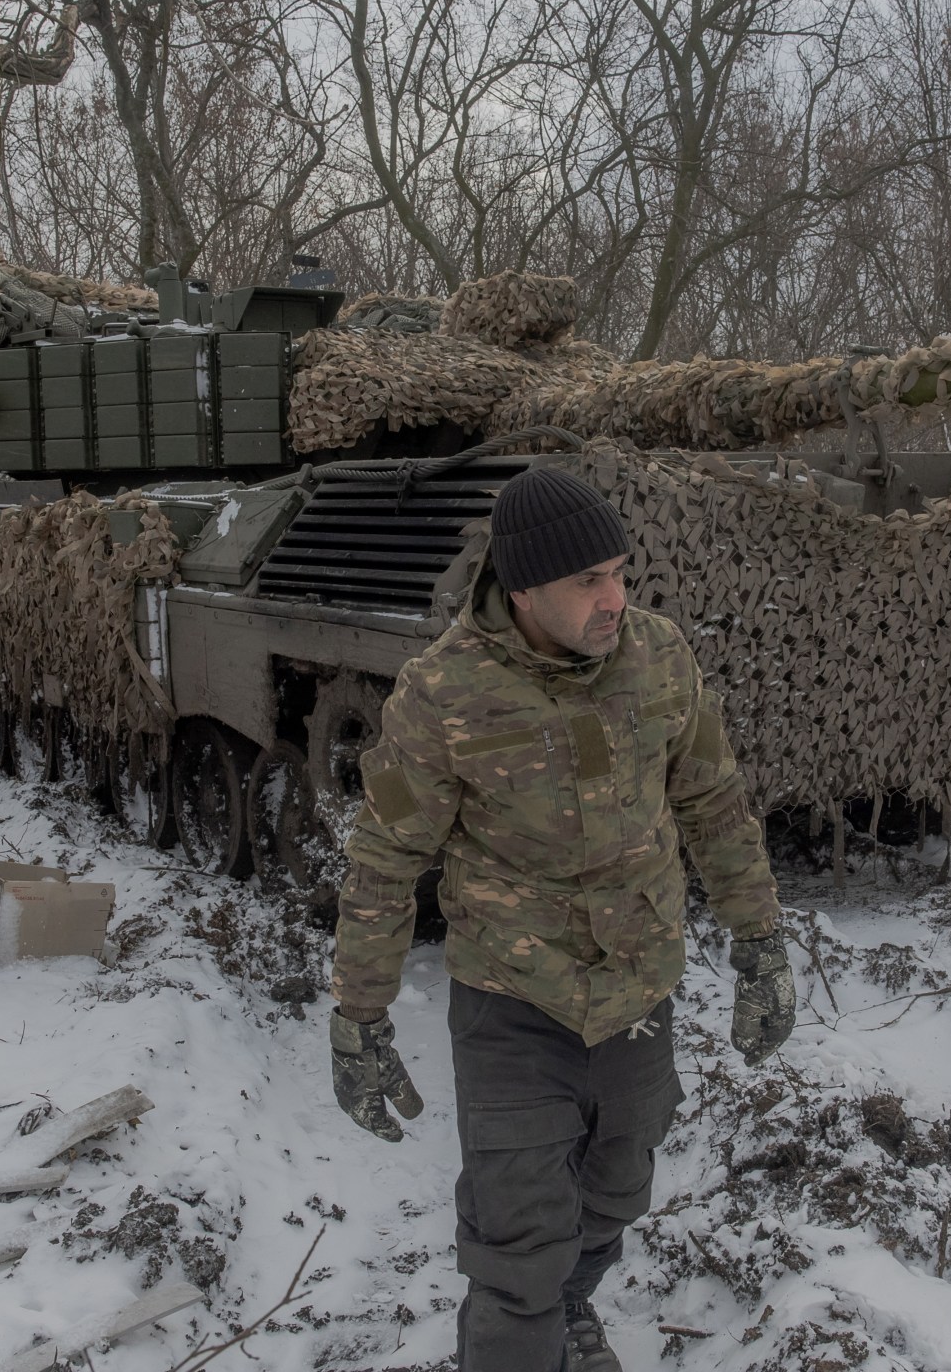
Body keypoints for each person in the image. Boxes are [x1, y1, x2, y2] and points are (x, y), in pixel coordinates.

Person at [326, 465, 797, 1372]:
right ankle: (528, 1326)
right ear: (525, 587)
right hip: (512, 1002)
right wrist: (359, 1015)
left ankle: (571, 1300)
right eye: (590, 581)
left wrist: (761, 942)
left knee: (617, 1190)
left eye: (620, 572)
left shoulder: (660, 657)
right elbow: (385, 856)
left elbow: (713, 803)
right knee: (518, 1247)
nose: (615, 598)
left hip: (637, 987)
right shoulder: (443, 692)